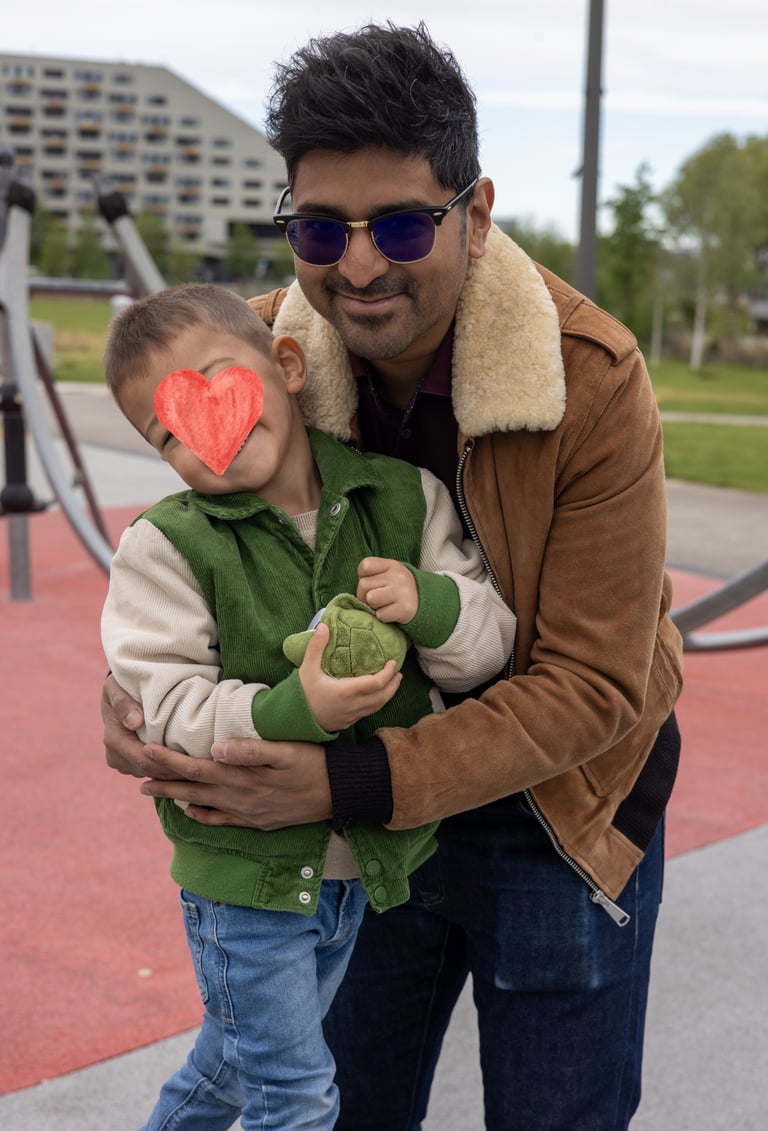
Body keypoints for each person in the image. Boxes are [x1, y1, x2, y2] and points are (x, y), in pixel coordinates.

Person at [101, 22, 684, 1131]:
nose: (358, 265)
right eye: (322, 228)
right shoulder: (252, 355)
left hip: (554, 806)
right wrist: (134, 698)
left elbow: (595, 682)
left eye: (404, 225)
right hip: (349, 827)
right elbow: (193, 573)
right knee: (345, 1107)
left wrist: (346, 781)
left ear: (476, 212)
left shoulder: (593, 379)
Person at [100, 281, 516, 1130]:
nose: (204, 433)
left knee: (227, 1072)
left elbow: (486, 648)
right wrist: (296, 708)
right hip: (243, 879)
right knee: (295, 1095)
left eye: (218, 386)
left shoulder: (403, 500)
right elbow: (165, 702)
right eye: (168, 431)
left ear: (287, 364)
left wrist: (430, 603)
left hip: (355, 870)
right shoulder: (164, 545)